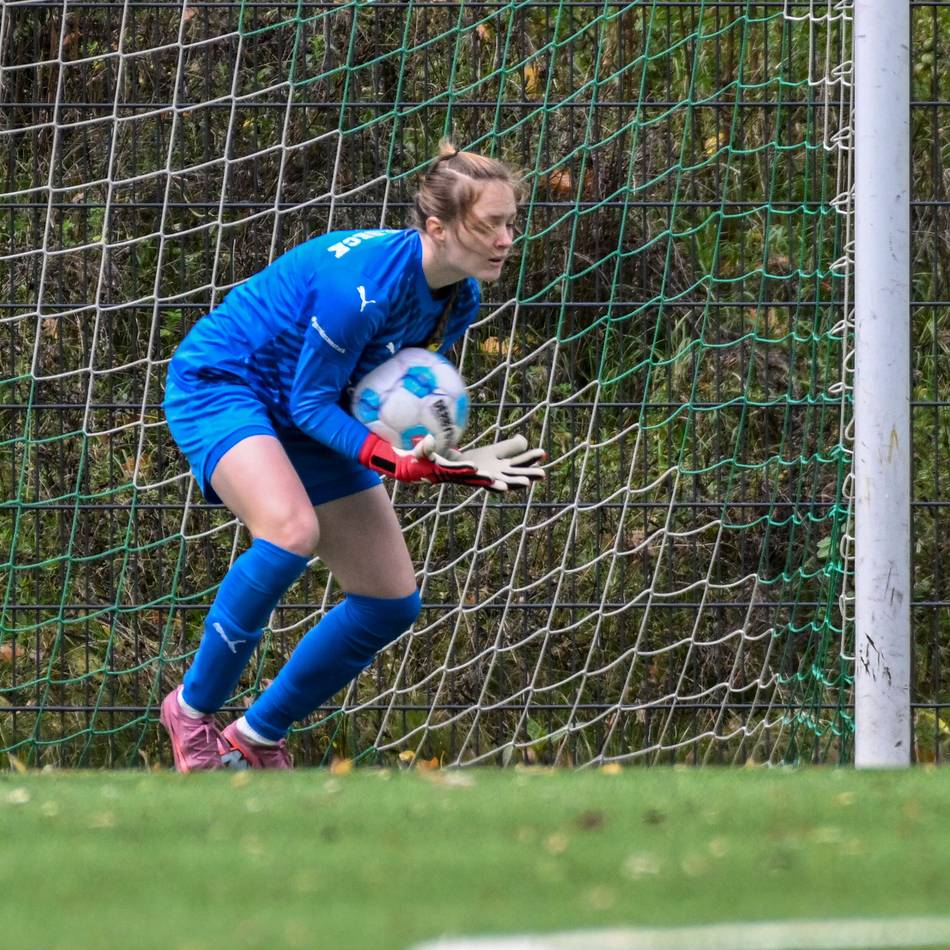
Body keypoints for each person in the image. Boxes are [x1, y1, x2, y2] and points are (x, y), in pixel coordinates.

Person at [159, 142, 545, 771]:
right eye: (488, 225)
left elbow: (377, 398)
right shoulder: (358, 289)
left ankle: (255, 738)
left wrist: (442, 456)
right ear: (437, 228)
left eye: (510, 223)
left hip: (310, 410)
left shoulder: (461, 297)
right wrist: (397, 462)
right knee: (289, 531)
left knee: (391, 600)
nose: (506, 239)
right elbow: (309, 404)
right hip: (226, 384)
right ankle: (192, 712)